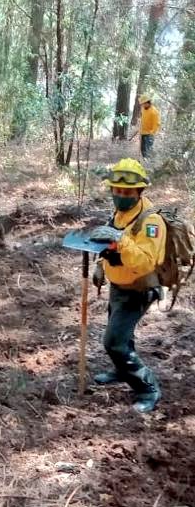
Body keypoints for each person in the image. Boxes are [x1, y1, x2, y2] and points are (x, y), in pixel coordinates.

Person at [90, 157, 166, 414]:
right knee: (123, 336)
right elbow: (112, 246)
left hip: (138, 289)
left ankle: (148, 388)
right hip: (118, 285)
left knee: (114, 342)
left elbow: (145, 262)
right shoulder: (120, 213)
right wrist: (102, 265)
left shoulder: (152, 222)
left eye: (126, 192)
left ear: (139, 191)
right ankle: (122, 370)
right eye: (116, 190)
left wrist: (121, 241)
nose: (120, 195)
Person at [137, 94, 161, 159]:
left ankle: (151, 162)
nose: (142, 105)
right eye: (141, 104)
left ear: (147, 102)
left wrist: (152, 133)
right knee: (142, 149)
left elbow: (156, 124)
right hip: (143, 132)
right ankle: (145, 161)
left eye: (143, 103)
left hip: (150, 133)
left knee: (148, 149)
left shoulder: (154, 112)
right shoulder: (143, 108)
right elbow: (143, 117)